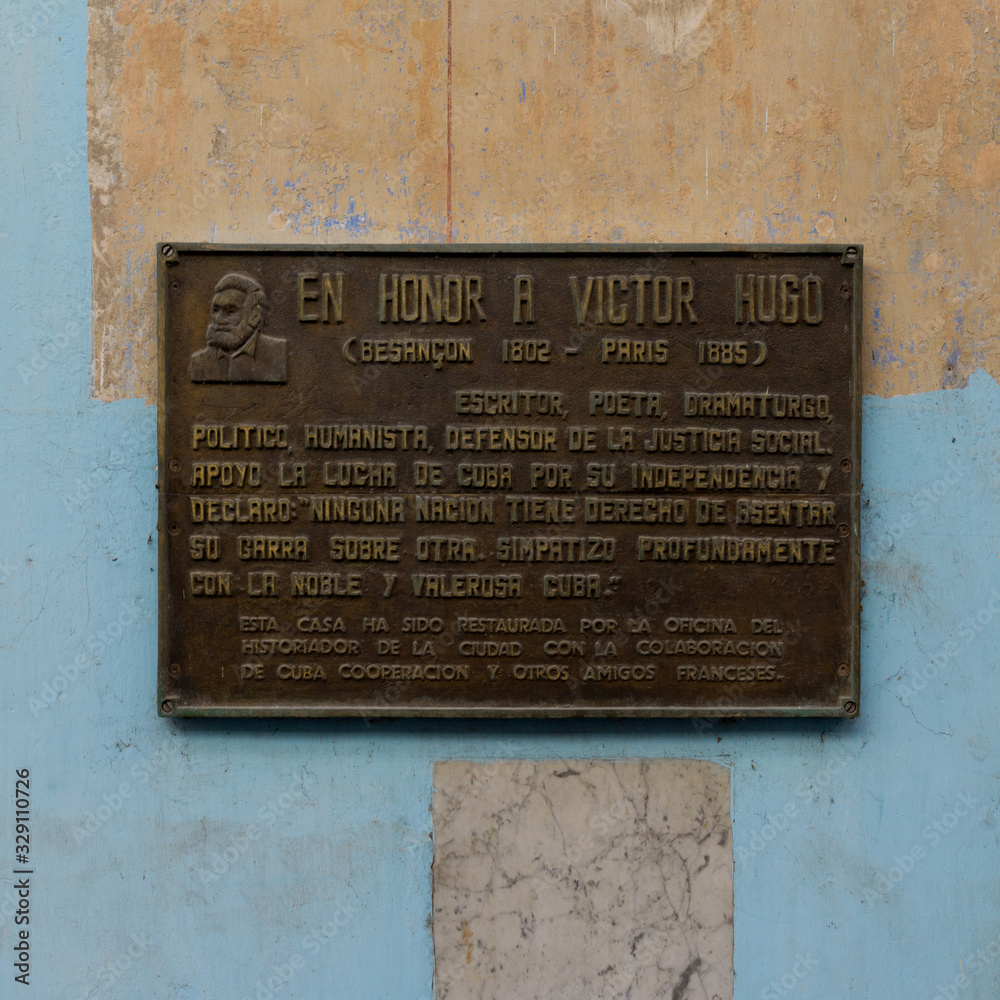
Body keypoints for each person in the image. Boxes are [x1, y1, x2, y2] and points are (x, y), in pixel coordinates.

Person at [190, 273, 286, 383]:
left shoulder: (277, 355)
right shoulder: (199, 362)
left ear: (254, 317)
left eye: (230, 312)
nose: (218, 319)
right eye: (215, 310)